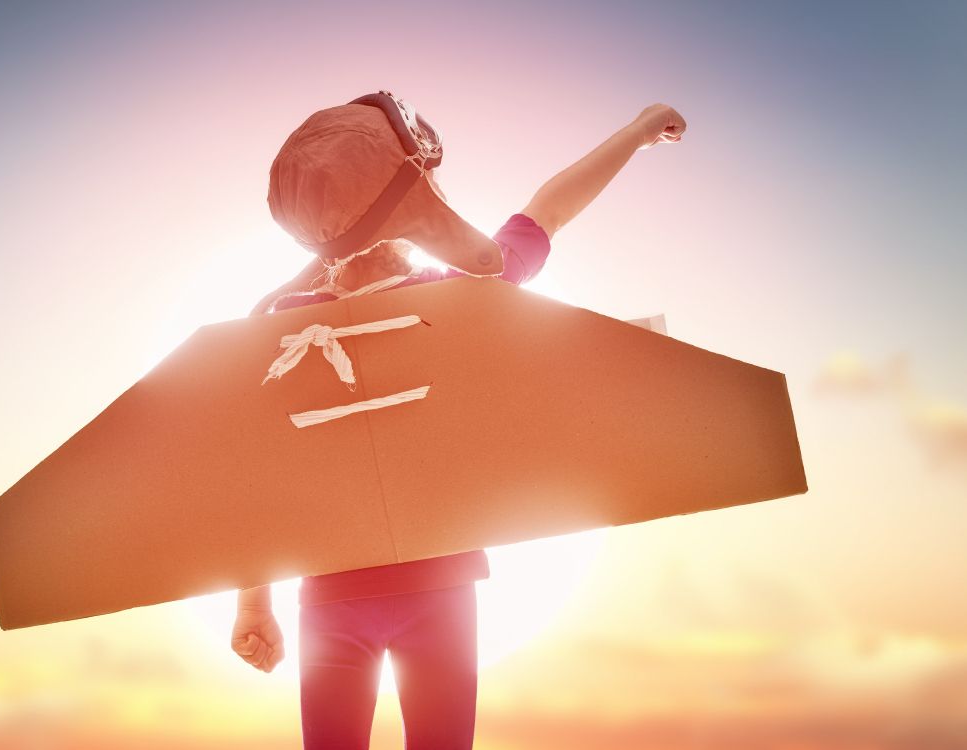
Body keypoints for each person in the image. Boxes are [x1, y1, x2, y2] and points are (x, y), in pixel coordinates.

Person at [231, 91, 686, 749]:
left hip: (335, 598)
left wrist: (253, 602)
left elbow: (253, 465)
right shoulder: (466, 293)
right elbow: (548, 211)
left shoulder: (279, 325)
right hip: (431, 595)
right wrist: (639, 129)